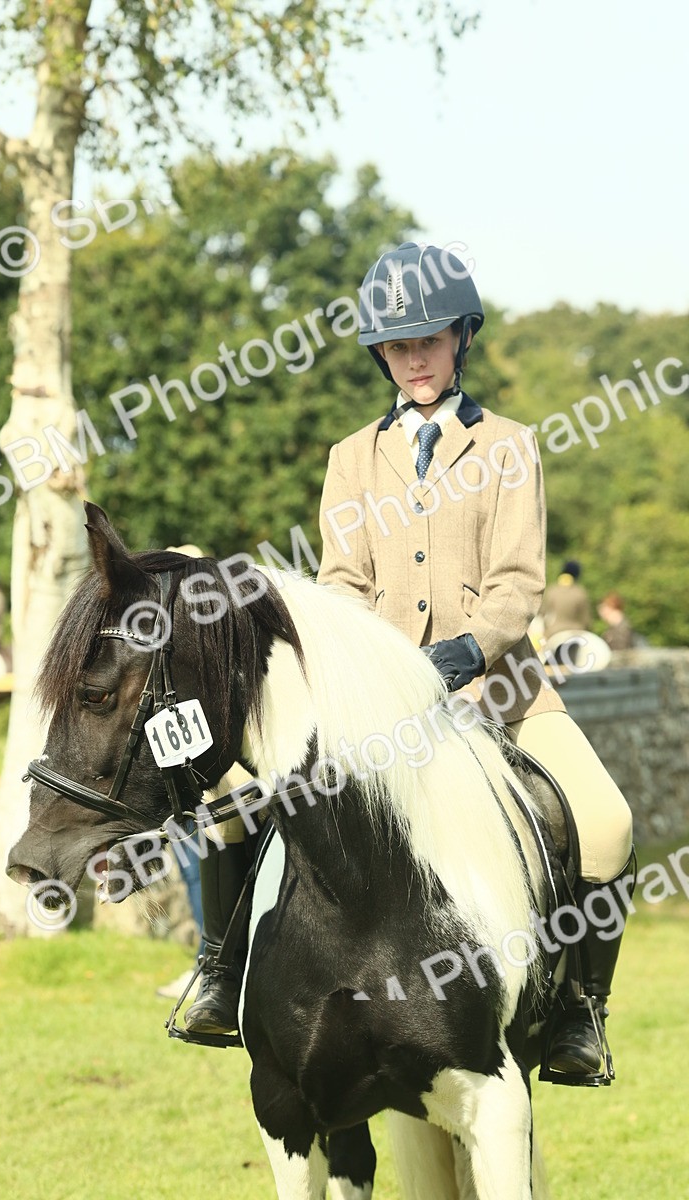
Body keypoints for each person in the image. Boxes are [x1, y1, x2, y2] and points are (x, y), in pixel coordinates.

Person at [315, 242, 633, 1085]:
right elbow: (340, 582)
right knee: (256, 802)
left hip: (504, 690)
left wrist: (463, 652)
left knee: (607, 828)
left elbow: (519, 583)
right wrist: (367, 665)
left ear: (462, 338)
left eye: (430, 339)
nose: (414, 358)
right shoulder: (352, 459)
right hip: (383, 706)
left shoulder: (510, 445)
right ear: (381, 352)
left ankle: (579, 1014)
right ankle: (226, 968)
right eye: (398, 344)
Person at [540, 559, 592, 642]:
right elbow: (586, 621)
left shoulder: (551, 590)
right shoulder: (580, 593)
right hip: (573, 636)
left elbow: (542, 614)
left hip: (552, 634)